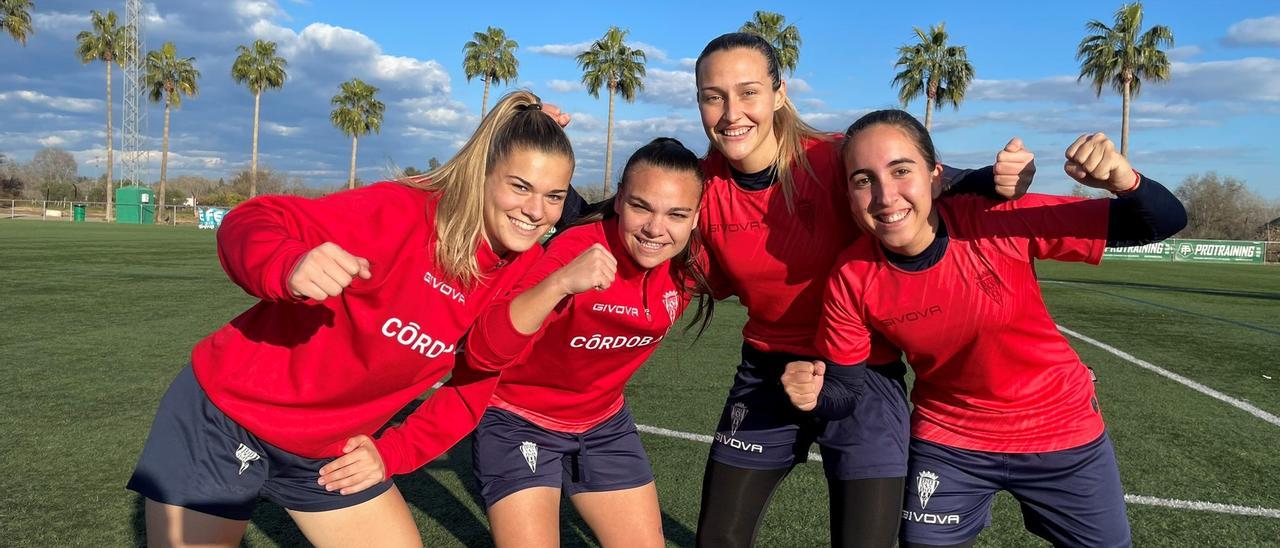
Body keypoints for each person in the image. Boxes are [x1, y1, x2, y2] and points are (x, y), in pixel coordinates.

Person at [127, 91, 575, 547]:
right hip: (224, 417)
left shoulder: (526, 273)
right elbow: (252, 219)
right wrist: (288, 264)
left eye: (553, 195)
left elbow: (471, 389)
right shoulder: (404, 212)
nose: (536, 211)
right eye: (519, 186)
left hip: (328, 452)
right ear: (481, 174)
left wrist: (393, 451)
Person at [690, 32, 1036, 548]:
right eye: (712, 96)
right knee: (718, 539)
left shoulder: (833, 159)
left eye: (748, 92)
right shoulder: (701, 184)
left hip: (863, 375)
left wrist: (1005, 177)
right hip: (767, 370)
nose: (731, 112)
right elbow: (624, 220)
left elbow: (934, 184)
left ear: (779, 94)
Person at [782, 109, 1186, 548]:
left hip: (1062, 433)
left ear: (936, 178)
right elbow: (845, 391)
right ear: (848, 193)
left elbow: (1161, 221)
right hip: (948, 444)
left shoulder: (996, 219)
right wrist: (814, 393)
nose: (885, 195)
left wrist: (1123, 180)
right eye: (864, 180)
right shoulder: (852, 275)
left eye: (901, 171)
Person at [463, 138, 713, 548]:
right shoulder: (575, 250)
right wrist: (558, 284)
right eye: (641, 206)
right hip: (518, 419)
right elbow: (482, 348)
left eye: (676, 214)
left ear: (696, 217)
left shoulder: (689, 262)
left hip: (604, 425)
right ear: (619, 200)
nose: (655, 228)